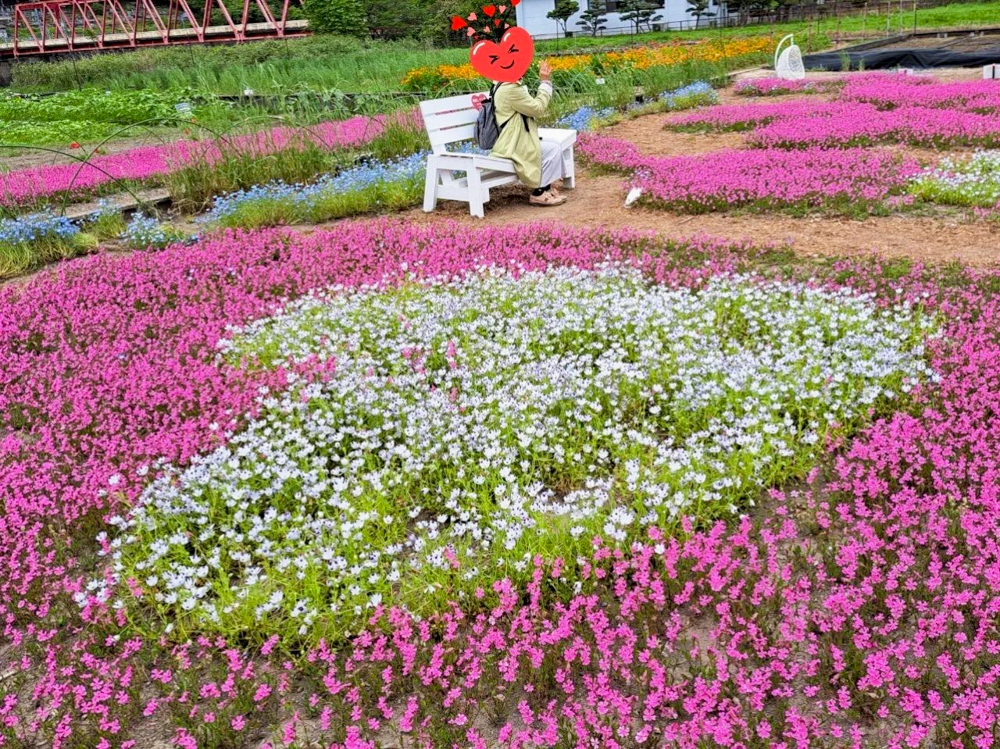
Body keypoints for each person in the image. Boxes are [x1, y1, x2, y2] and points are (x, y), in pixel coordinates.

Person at [489, 60, 568, 207]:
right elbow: (537, 108)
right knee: (552, 149)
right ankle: (539, 193)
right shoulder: (510, 89)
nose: (523, 70)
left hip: (515, 139)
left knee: (554, 145)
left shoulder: (503, 84)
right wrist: (545, 83)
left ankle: (549, 187)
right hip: (513, 144)